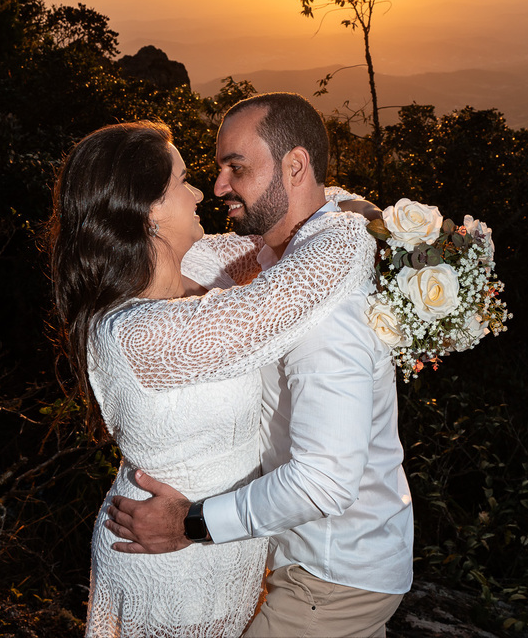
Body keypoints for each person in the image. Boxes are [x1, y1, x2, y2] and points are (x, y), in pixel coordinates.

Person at [46, 120, 377, 637]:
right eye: (182, 181)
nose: (202, 190)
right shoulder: (137, 332)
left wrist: (332, 200)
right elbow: (300, 282)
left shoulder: (187, 268)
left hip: (225, 559)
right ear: (150, 210)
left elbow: (287, 233)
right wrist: (365, 226)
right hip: (170, 567)